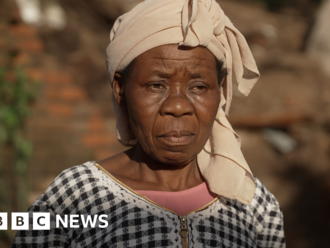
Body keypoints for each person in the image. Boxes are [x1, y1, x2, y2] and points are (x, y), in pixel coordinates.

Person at [13, 0, 285, 247]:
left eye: (199, 87)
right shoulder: (76, 196)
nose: (178, 106)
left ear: (221, 93)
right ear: (120, 89)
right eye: (156, 85)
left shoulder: (252, 204)